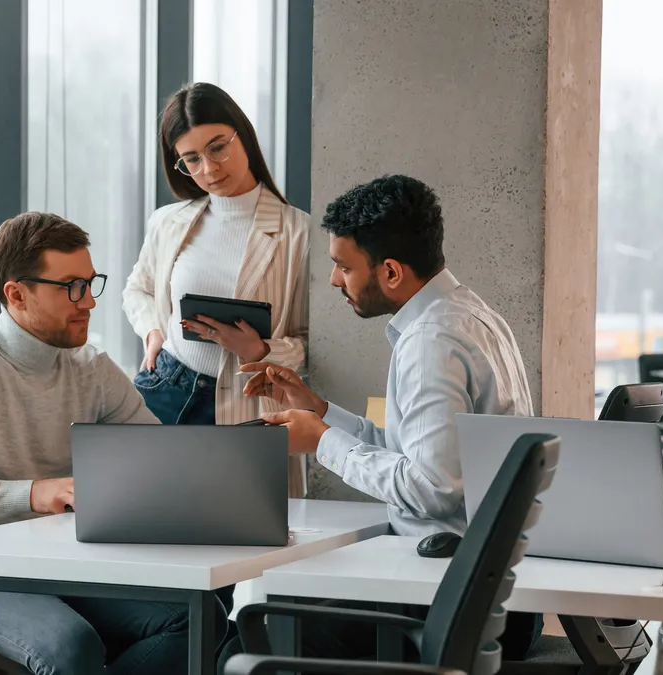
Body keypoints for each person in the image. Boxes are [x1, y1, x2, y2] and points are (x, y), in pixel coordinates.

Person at [0, 212, 224, 675]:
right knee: (71, 647)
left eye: (89, 283)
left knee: (200, 619)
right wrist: (34, 494)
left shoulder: (92, 367)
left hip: (61, 562)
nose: (88, 302)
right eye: (70, 288)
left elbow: (157, 463)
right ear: (16, 294)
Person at [229, 175, 539, 666]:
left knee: (247, 633)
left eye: (342, 266)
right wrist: (320, 413)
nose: (333, 281)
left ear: (391, 271)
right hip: (482, 598)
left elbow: (433, 487)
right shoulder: (471, 316)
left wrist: (322, 443)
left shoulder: (430, 341)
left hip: (440, 604)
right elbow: (418, 454)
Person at [123, 81, 311, 495]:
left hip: (249, 400)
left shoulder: (299, 233)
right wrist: (154, 331)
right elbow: (138, 289)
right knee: (142, 520)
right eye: (190, 159)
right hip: (167, 386)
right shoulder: (168, 221)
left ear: (242, 136)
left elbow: (313, 342)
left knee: (240, 536)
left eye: (217, 148)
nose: (208, 169)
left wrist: (262, 352)